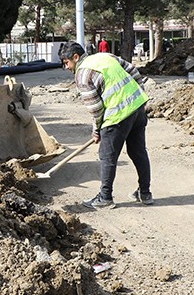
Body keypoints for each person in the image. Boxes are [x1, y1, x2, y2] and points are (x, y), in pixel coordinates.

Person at [59, 41, 153, 210]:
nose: (66, 67)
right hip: (138, 108)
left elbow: (96, 109)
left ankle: (105, 197)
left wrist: (97, 130)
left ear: (75, 57)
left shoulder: (82, 75)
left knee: (107, 156)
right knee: (138, 152)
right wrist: (139, 93)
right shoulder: (105, 56)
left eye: (66, 62)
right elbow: (133, 70)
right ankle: (145, 193)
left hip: (117, 115)